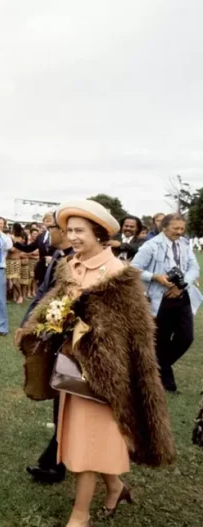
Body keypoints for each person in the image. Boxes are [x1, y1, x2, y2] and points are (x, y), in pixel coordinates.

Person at [19, 200, 175, 527]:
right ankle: (116, 487)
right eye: (70, 230)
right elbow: (51, 307)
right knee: (85, 438)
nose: (73, 236)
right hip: (71, 372)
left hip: (103, 378)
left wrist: (87, 332)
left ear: (100, 234)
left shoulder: (119, 275)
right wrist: (39, 327)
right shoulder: (69, 266)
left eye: (80, 231)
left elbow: (136, 333)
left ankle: (80, 515)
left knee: (89, 443)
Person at [19, 215, 74, 485]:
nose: (46, 232)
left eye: (50, 228)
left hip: (68, 342)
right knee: (59, 399)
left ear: (62, 230)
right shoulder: (57, 256)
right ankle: (55, 461)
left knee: (66, 400)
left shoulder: (74, 261)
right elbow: (42, 293)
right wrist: (27, 324)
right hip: (53, 338)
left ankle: (56, 463)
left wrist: (43, 327)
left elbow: (62, 303)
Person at [132, 212, 202, 392]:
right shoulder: (151, 246)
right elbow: (134, 269)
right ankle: (166, 383)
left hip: (182, 295)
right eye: (175, 228)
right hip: (159, 299)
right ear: (164, 227)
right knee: (161, 340)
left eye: (182, 228)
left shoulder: (185, 244)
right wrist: (155, 277)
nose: (179, 232)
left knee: (186, 337)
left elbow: (194, 267)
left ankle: (154, 370)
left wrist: (182, 285)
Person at [13, 212, 54, 287]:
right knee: (42, 289)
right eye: (47, 221)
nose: (49, 223)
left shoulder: (60, 234)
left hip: (55, 268)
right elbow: (29, 248)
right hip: (43, 268)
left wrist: (54, 259)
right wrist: (15, 243)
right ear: (43, 223)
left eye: (51, 220)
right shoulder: (41, 236)